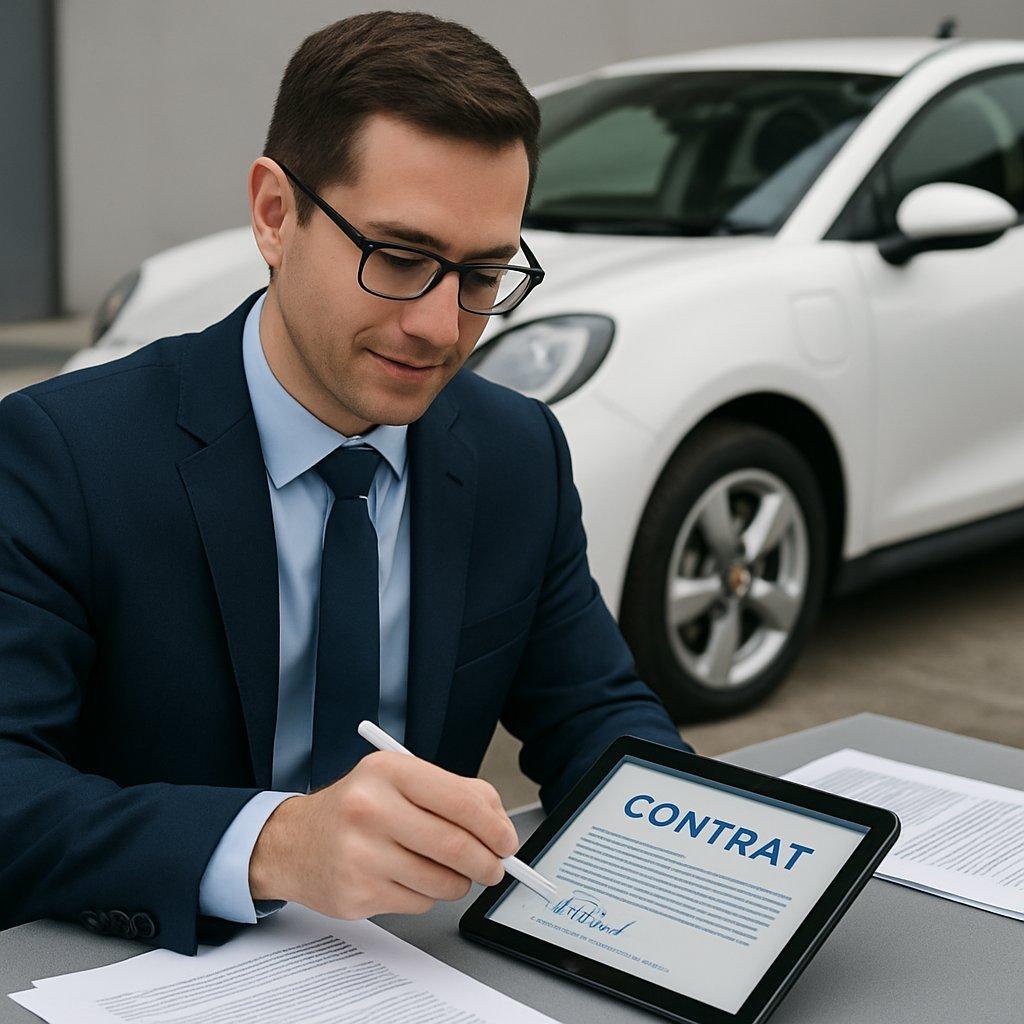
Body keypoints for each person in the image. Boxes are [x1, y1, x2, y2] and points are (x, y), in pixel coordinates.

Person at [0, 11, 693, 956]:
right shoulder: (64, 455)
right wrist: (272, 847)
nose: (443, 328)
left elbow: (599, 715)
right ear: (274, 214)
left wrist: (720, 857)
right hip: (143, 966)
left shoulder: (517, 451)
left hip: (427, 974)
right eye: (400, 259)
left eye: (484, 274)